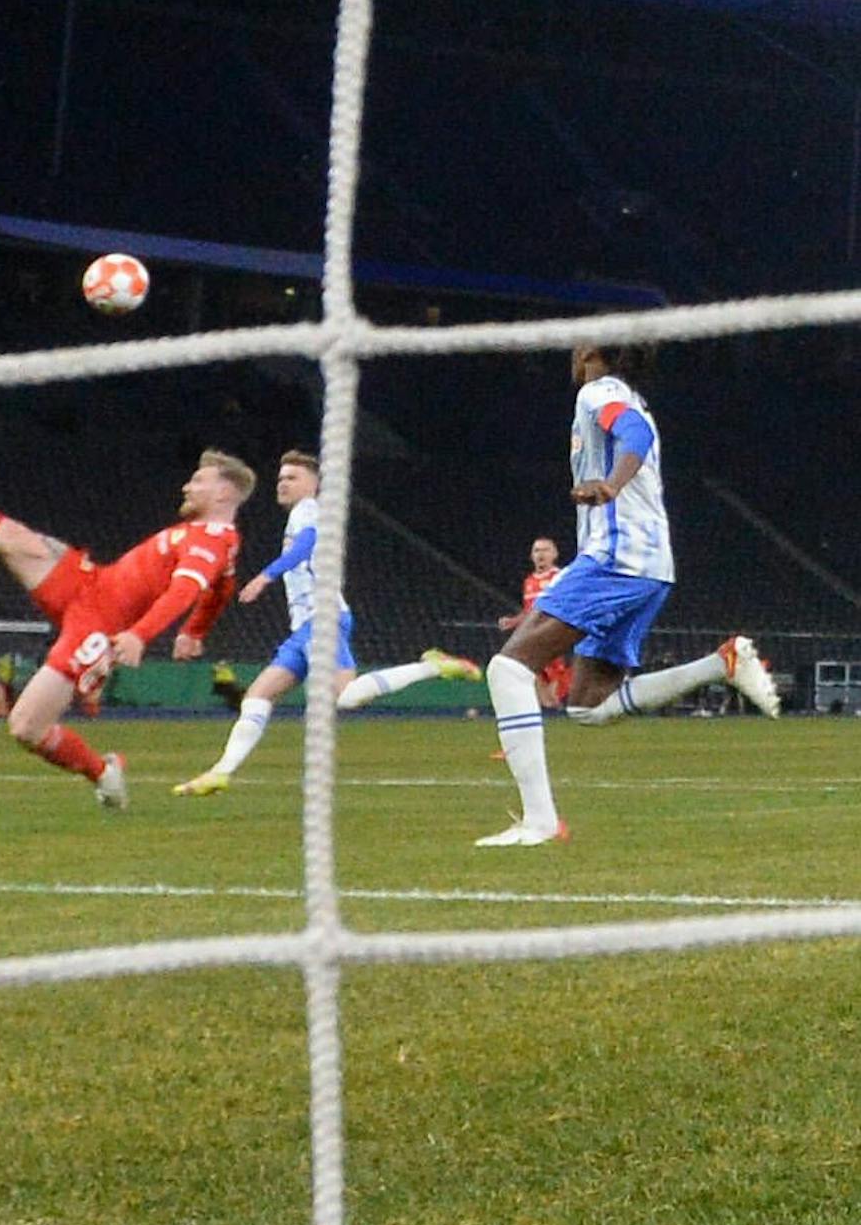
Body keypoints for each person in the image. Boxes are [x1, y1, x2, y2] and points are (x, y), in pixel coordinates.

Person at [478, 345, 777, 848]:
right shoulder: (629, 396)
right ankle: (721, 664)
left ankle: (540, 822)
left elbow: (632, 435)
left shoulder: (601, 391)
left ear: (595, 350)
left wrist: (611, 485)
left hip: (618, 557)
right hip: (650, 566)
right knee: (589, 705)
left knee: (507, 669)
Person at [0, 415, 254, 809]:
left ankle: (102, 771)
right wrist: (194, 631)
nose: (187, 485)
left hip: (100, 625)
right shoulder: (211, 541)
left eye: (198, 481)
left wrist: (140, 635)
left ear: (224, 495)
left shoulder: (212, 539)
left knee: (25, 726)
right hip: (90, 584)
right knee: (12, 538)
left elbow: (187, 589)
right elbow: (221, 588)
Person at [172, 450, 481, 795]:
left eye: (292, 478)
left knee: (345, 697)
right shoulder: (298, 515)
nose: (283, 483)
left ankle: (433, 667)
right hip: (304, 627)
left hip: (323, 620)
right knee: (258, 696)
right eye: (280, 478)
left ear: (314, 484)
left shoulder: (310, 510)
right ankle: (221, 772)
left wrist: (266, 576)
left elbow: (308, 544)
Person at [498, 536, 572, 710]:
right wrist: (514, 621)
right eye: (537, 550)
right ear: (531, 556)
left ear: (554, 554)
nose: (541, 554)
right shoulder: (529, 582)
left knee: (549, 680)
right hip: (534, 634)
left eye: (545, 550)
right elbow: (529, 612)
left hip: (554, 634)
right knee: (535, 677)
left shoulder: (560, 577)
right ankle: (550, 707)